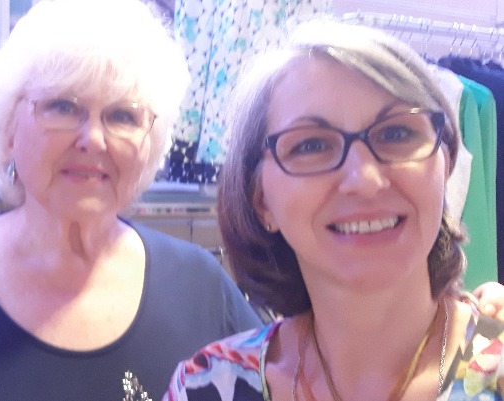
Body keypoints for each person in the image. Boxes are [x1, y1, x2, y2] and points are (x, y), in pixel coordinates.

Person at [0, 0, 263, 399]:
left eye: (123, 116)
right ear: (9, 129)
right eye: (63, 107)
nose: (94, 139)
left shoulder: (203, 292)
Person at [164, 20, 504, 400]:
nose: (364, 179)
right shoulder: (206, 387)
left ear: (447, 160)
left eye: (396, 133)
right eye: (311, 145)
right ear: (261, 200)